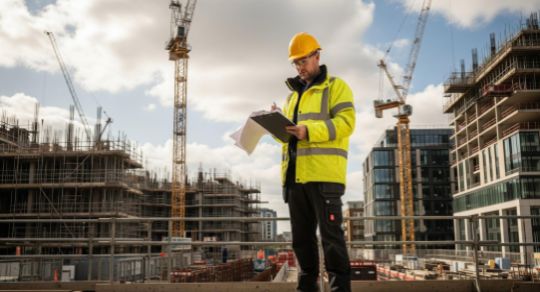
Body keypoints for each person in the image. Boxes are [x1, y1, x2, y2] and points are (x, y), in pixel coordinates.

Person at [272, 32, 355, 292]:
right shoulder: (292, 97)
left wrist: (309, 130)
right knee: (302, 242)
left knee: (331, 240)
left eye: (303, 61)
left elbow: (346, 124)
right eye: (295, 63)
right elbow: (288, 139)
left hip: (325, 179)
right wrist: (276, 124)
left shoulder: (336, 87)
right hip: (295, 179)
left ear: (317, 56)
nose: (299, 67)